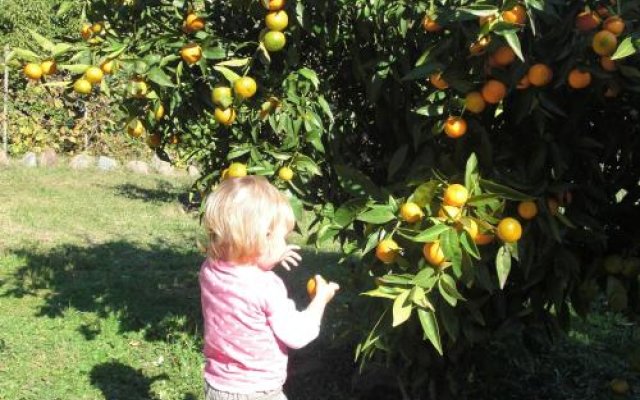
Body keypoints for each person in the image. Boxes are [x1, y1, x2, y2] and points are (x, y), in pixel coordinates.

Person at [200, 175, 340, 400]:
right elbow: (298, 334)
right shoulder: (267, 286)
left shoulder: (210, 270)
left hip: (218, 387)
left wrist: (267, 258)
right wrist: (320, 300)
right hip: (257, 392)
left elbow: (244, 278)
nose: (284, 244)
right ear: (262, 238)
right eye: (282, 238)